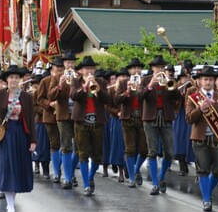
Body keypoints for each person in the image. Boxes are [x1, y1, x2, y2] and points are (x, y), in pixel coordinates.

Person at [0, 65, 36, 212]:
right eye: (11, 77)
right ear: (6, 80)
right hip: (4, 135)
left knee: (17, 169)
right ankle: (10, 205)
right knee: (7, 168)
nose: (14, 80)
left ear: (20, 80)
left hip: (20, 135)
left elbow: (31, 121)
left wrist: (33, 140)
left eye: (16, 77)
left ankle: (12, 200)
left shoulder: (26, 97)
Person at [186, 66, 218, 211]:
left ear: (214, 82)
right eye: (205, 79)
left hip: (216, 139)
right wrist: (200, 109)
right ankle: (207, 200)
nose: (208, 82)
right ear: (200, 81)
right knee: (203, 170)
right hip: (200, 139)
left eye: (210, 79)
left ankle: (207, 192)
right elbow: (189, 119)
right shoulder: (193, 98)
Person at [140, 55, 181, 195]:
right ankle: (155, 184)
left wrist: (171, 85)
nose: (160, 69)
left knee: (169, 152)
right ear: (152, 68)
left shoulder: (169, 81)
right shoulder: (145, 80)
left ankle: (161, 176)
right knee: (152, 151)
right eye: (158, 67)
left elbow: (178, 98)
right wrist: (150, 85)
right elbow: (140, 96)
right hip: (150, 118)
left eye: (162, 67)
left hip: (166, 118)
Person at [70, 56, 111, 196]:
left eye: (92, 68)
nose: (90, 71)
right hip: (81, 122)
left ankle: (90, 176)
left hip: (97, 121)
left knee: (97, 155)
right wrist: (84, 87)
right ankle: (86, 185)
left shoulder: (100, 82)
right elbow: (73, 96)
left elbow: (107, 99)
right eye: (87, 69)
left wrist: (97, 89)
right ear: (81, 71)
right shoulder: (75, 82)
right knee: (82, 154)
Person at [48, 50, 79, 189]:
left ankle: (70, 172)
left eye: (72, 62)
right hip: (63, 115)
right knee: (66, 146)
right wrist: (59, 85)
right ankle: (67, 178)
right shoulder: (56, 77)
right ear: (64, 64)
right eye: (67, 63)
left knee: (79, 148)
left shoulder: (79, 77)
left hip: (78, 115)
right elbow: (50, 96)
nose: (70, 65)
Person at [115, 58, 148, 187]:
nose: (136, 70)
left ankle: (135, 169)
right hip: (127, 118)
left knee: (144, 149)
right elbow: (117, 99)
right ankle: (132, 178)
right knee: (130, 149)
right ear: (129, 71)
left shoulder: (145, 82)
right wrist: (127, 92)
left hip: (142, 117)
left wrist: (143, 88)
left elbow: (149, 98)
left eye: (138, 68)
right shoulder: (123, 83)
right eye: (133, 68)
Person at [38, 58, 63, 182]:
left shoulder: (69, 79)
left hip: (65, 116)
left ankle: (67, 172)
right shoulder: (45, 81)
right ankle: (57, 171)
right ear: (52, 67)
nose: (59, 68)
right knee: (54, 144)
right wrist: (50, 104)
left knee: (66, 145)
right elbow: (40, 99)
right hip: (50, 117)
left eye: (61, 66)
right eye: (57, 66)